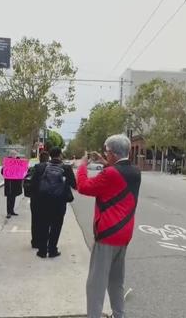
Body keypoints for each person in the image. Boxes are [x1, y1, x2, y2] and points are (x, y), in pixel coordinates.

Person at [77, 135, 141, 318]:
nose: (106, 154)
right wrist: (104, 161)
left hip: (108, 234)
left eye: (107, 152)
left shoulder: (110, 174)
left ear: (112, 154)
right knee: (116, 280)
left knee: (96, 283)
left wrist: (83, 165)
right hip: (124, 234)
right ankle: (119, 314)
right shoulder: (135, 171)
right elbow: (117, 174)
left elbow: (83, 186)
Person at [31, 147, 76, 258]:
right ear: (60, 155)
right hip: (59, 202)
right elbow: (74, 184)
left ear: (50, 155)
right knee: (56, 226)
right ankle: (52, 250)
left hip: (43, 201)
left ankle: (42, 250)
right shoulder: (66, 168)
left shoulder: (40, 167)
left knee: (43, 225)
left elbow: (33, 184)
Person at [28, 151, 50, 249]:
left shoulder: (35, 168)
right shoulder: (51, 168)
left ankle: (35, 241)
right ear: (48, 158)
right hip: (47, 198)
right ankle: (43, 241)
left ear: (40, 158)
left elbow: (28, 180)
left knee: (35, 220)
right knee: (45, 221)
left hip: (35, 198)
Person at [2, 151, 23, 218]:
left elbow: (22, 170)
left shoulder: (18, 161)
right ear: (11, 155)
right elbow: (3, 171)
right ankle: (8, 212)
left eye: (15, 154)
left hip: (16, 183)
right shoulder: (7, 162)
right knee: (9, 198)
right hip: (9, 183)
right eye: (14, 154)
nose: (15, 156)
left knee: (13, 197)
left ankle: (12, 210)